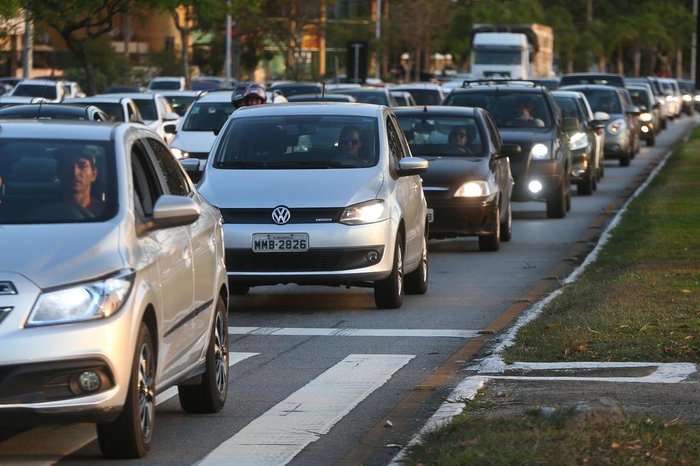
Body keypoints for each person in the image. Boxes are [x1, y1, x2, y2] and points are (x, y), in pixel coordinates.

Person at [56, 149, 104, 217]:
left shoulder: (108, 213)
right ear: (59, 172)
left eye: (82, 166)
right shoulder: (45, 213)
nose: (75, 172)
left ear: (94, 174)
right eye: (67, 165)